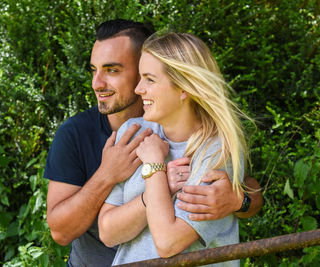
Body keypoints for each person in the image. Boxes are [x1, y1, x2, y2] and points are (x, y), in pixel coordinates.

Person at [44, 20, 262, 267]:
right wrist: (111, 174)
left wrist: (239, 199)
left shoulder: (211, 146)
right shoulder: (90, 133)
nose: (97, 83)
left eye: (112, 70)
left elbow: (171, 241)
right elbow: (84, 232)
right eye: (93, 70)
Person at [98, 32, 252, 266]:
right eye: (140, 77)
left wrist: (153, 166)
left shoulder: (216, 151)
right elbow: (107, 232)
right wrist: (160, 186)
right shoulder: (134, 132)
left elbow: (168, 243)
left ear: (184, 89)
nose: (139, 89)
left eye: (150, 79)